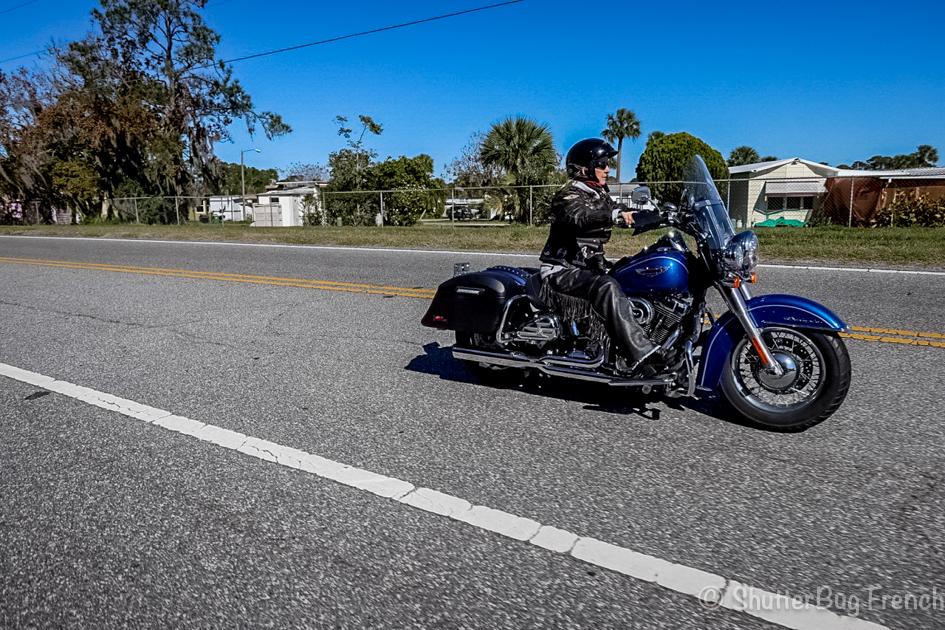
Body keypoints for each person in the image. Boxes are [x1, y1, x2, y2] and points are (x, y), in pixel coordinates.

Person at [539, 138, 663, 373]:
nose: (608, 169)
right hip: (562, 269)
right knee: (606, 286)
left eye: (608, 164)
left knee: (635, 270)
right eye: (602, 164)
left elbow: (618, 209)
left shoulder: (599, 194)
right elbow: (581, 216)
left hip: (589, 267)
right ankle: (641, 354)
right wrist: (616, 216)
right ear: (584, 168)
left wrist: (658, 215)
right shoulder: (567, 195)